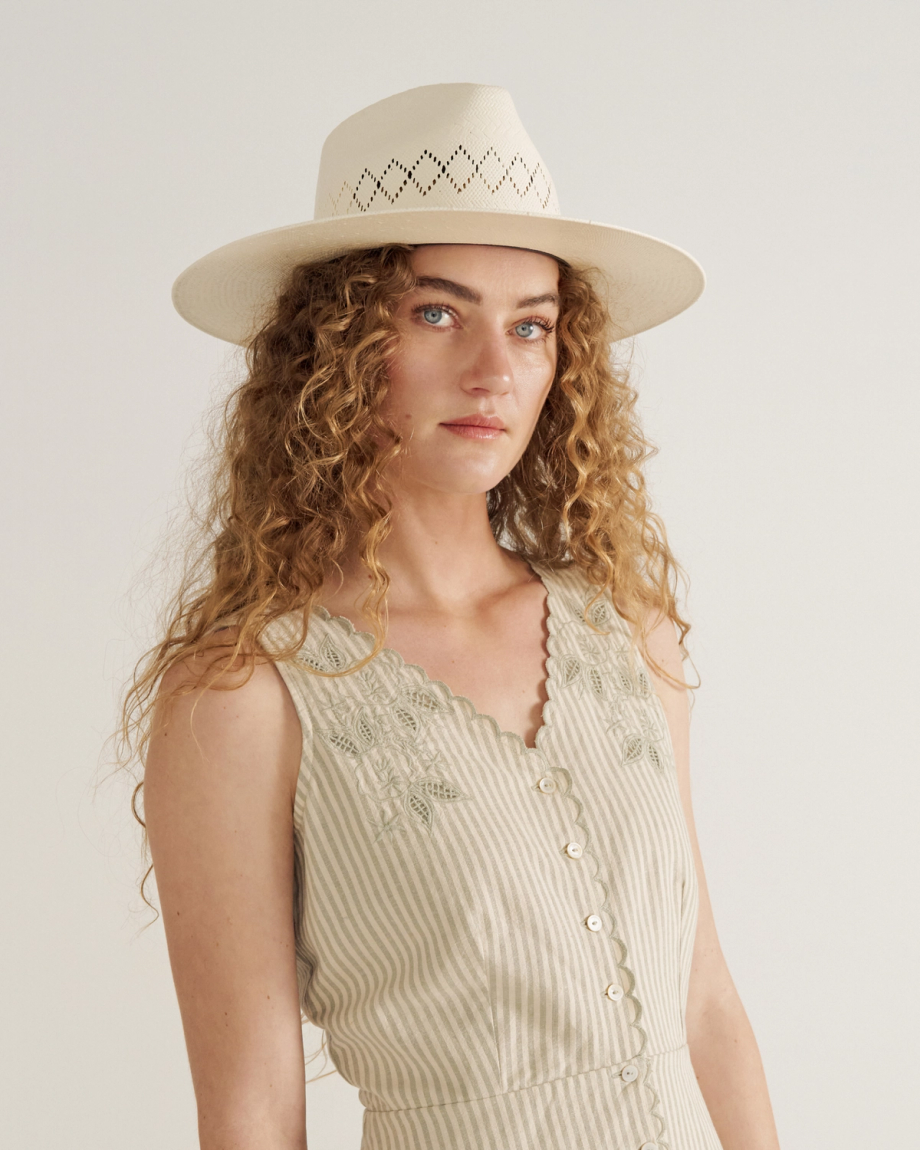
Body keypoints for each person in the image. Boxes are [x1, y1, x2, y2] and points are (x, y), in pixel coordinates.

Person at [124, 84, 782, 1149]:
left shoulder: (631, 638)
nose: (494, 370)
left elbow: (703, 1000)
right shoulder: (247, 691)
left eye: (531, 326)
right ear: (331, 352)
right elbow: (250, 1109)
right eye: (436, 312)